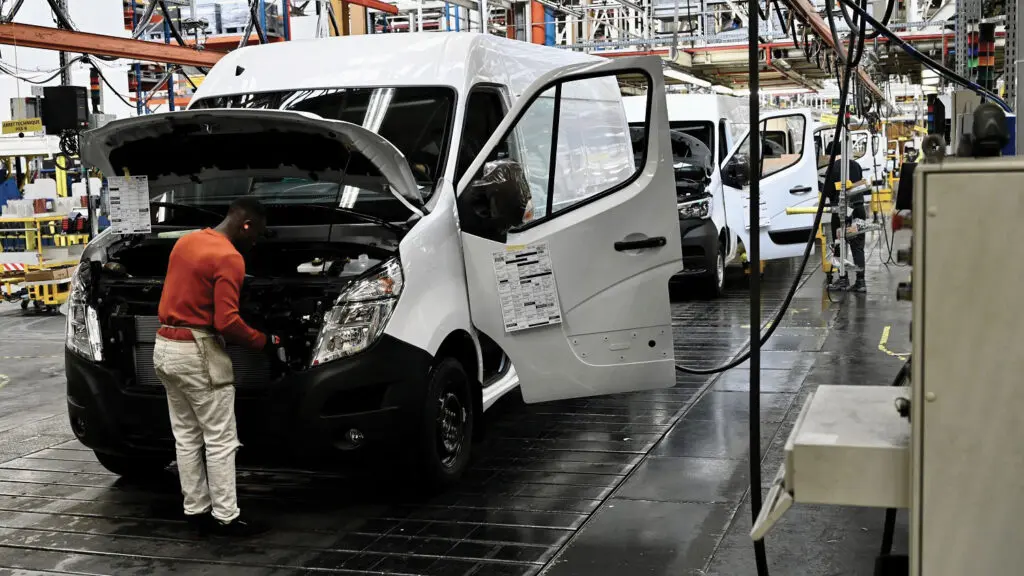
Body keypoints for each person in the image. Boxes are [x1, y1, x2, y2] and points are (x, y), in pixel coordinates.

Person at [153, 197, 278, 537]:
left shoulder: (186, 241)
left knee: (186, 435)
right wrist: (264, 342)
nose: (254, 243)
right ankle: (226, 517)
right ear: (246, 225)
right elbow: (227, 322)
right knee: (221, 439)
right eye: (256, 234)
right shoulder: (229, 257)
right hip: (198, 352)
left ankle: (195, 510)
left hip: (164, 346)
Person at [821, 140, 867, 292]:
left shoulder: (833, 168)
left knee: (839, 244)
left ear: (833, 154)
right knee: (858, 246)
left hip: (841, 212)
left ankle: (843, 279)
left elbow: (828, 192)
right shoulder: (856, 165)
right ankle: (860, 282)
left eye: (828, 155)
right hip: (859, 209)